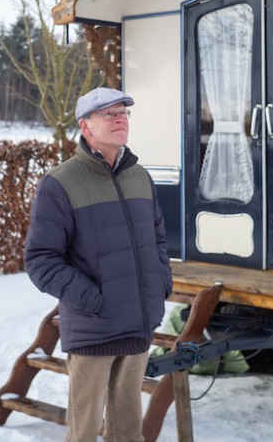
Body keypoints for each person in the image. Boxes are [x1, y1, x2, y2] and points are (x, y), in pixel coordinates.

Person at [25, 86, 173, 442]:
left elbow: (158, 241)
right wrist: (95, 299)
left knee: (128, 433)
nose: (120, 119)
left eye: (123, 113)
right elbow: (40, 260)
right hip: (94, 330)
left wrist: (160, 285)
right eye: (109, 114)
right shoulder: (59, 183)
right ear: (85, 125)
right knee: (85, 432)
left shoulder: (139, 177)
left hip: (137, 326)